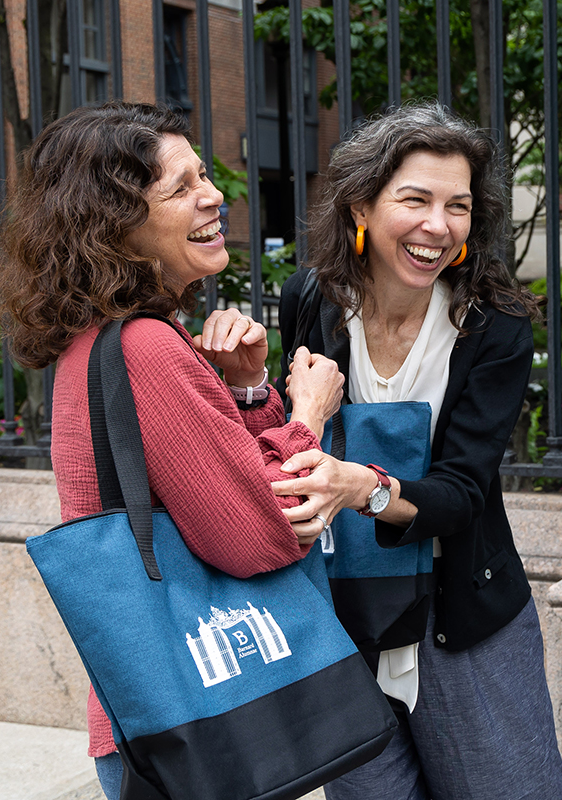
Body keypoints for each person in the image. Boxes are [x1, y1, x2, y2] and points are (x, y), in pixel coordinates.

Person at [0, 101, 343, 800]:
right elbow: (266, 532)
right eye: (180, 188)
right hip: (197, 722)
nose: (214, 195)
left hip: (159, 712)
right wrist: (307, 411)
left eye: (204, 174)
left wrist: (246, 393)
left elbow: (207, 489)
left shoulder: (104, 337)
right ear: (117, 229)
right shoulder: (147, 346)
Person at [274, 102, 562, 799]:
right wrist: (253, 382)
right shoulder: (311, 300)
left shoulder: (493, 325)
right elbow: (294, 445)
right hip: (347, 611)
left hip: (461, 614)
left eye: (457, 205)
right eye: (416, 199)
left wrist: (365, 488)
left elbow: (463, 492)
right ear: (361, 208)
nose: (439, 225)